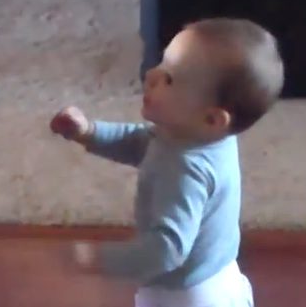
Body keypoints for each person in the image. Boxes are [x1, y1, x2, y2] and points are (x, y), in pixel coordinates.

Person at [50, 17, 284, 307]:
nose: (151, 75)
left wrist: (99, 258)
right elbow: (142, 143)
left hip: (185, 296)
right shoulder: (201, 136)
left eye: (169, 78)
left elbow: (167, 249)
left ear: (212, 118)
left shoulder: (187, 169)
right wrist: (89, 132)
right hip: (219, 275)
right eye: (161, 64)